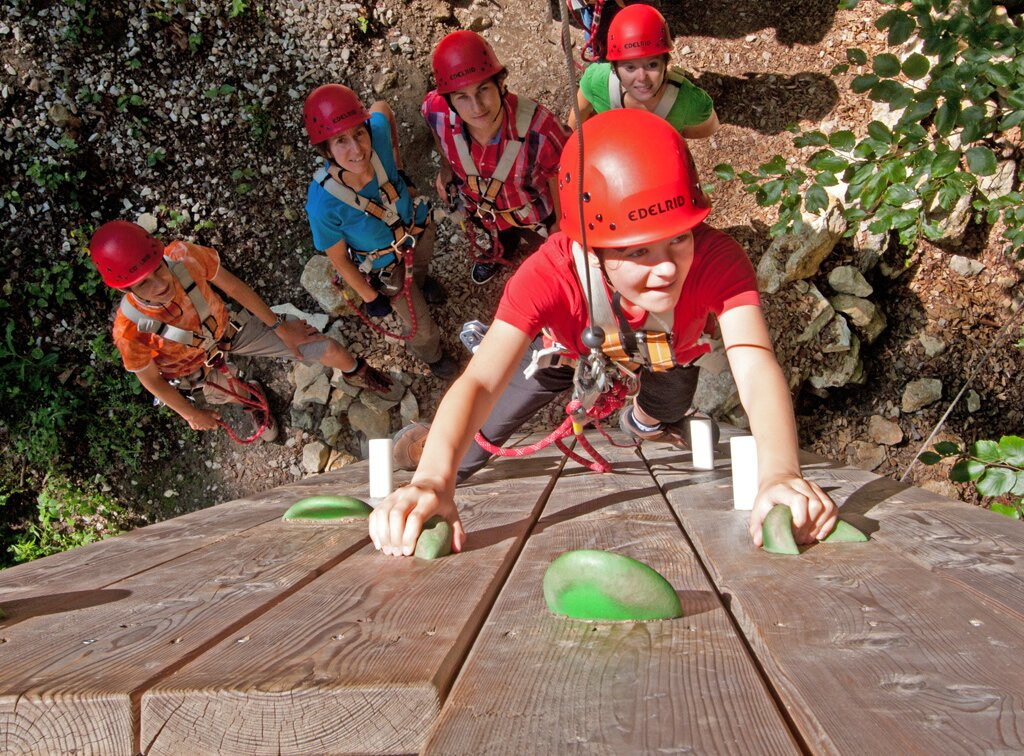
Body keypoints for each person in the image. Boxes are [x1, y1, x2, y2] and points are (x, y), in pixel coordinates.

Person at [370, 109, 837, 557]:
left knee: (665, 405)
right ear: (590, 250)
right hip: (569, 353)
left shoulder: (718, 260)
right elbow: (482, 380)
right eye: (638, 252)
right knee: (473, 446)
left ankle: (641, 423)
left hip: (666, 353)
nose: (668, 268)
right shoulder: (550, 275)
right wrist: (433, 480)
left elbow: (753, 361)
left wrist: (779, 472)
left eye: (679, 237)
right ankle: (425, 450)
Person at [90, 220, 392, 440]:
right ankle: (251, 398)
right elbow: (153, 381)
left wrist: (280, 327)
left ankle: (357, 371)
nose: (160, 284)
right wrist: (190, 413)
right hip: (190, 367)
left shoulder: (184, 257)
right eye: (144, 283)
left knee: (325, 348)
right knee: (228, 391)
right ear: (127, 288)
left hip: (228, 331)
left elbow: (233, 286)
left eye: (158, 268)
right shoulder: (130, 330)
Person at [304, 84, 457, 379]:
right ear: (326, 150)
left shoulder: (378, 137)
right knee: (419, 325)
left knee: (422, 267)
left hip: (417, 231)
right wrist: (369, 297)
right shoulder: (323, 205)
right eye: (341, 141)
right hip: (386, 266)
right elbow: (340, 260)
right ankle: (431, 355)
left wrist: (398, 170)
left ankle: (422, 282)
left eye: (359, 134)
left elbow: (381, 109)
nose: (357, 149)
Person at [421, 30, 571, 285]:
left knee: (547, 250)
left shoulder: (542, 130)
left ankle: (547, 269)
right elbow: (432, 123)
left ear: (500, 83)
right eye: (463, 97)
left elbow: (559, 177)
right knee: (500, 236)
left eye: (483, 90)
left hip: (534, 211)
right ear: (450, 101)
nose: (477, 107)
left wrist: (561, 224)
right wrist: (446, 167)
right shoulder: (437, 111)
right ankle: (502, 248)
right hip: (483, 208)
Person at [568, 3, 719, 139]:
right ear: (613, 67)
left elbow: (708, 127)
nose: (641, 78)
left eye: (652, 65)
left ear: (666, 62)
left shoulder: (691, 102)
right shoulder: (596, 81)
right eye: (630, 67)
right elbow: (577, 118)